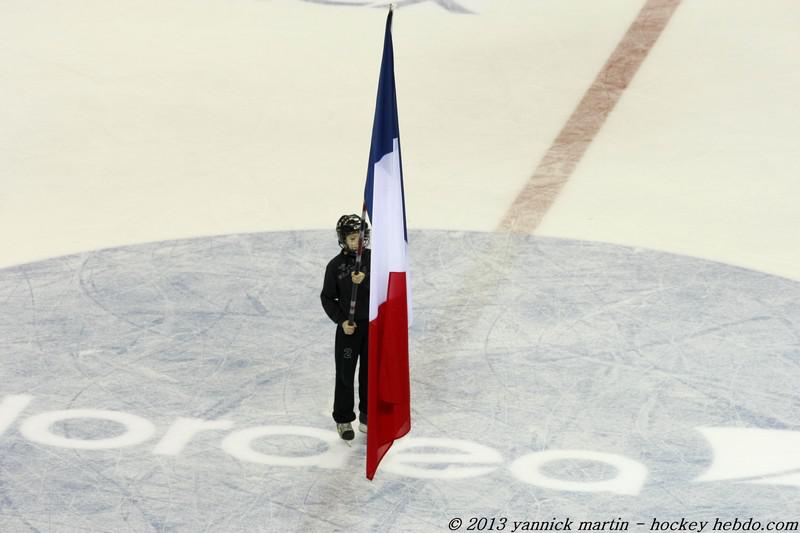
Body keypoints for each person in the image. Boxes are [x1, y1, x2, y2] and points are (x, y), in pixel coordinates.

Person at [320, 214, 370, 440]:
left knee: (369, 373)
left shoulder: (374, 260)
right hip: (349, 330)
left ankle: (368, 414)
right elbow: (327, 298)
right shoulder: (335, 266)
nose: (357, 243)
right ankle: (343, 419)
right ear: (343, 239)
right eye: (352, 238)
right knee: (345, 374)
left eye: (360, 237)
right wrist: (341, 321)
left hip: (371, 327)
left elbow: (384, 288)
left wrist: (365, 280)